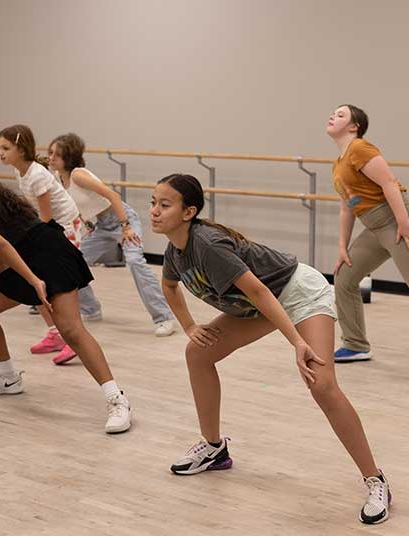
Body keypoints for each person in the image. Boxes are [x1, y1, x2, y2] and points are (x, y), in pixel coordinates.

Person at [151, 173, 390, 525]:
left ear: (189, 212)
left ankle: (375, 479)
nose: (154, 211)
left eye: (164, 204)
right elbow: (169, 286)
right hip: (259, 306)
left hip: (297, 293)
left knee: (321, 384)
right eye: (153, 203)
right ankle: (214, 449)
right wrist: (189, 326)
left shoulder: (209, 245)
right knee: (197, 353)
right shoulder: (177, 250)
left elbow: (261, 291)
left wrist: (297, 342)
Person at [0, 157, 131, 433]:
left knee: (71, 330)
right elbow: (4, 245)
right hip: (26, 259)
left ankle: (117, 399)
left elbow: (2, 244)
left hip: (48, 257)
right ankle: (7, 377)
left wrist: (34, 281)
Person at [49, 133, 175, 336]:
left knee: (134, 262)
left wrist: (125, 226)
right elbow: (79, 203)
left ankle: (164, 317)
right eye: (51, 152)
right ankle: (91, 309)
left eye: (57, 154)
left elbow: (112, 195)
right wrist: (86, 223)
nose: (52, 157)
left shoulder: (77, 175)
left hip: (121, 220)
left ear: (69, 158)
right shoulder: (57, 179)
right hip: (98, 227)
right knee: (72, 264)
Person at [327, 104, 409, 362]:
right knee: (344, 278)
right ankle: (355, 344)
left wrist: (403, 222)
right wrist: (343, 247)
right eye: (333, 113)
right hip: (374, 227)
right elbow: (347, 207)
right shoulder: (339, 164)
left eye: (341, 115)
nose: (333, 116)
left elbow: (388, 183)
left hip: (395, 219)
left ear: (354, 126)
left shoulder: (360, 148)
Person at [0, 125, 84, 364]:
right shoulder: (20, 172)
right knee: (36, 282)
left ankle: (72, 338)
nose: (0, 153)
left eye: (5, 148)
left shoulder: (37, 175)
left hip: (64, 229)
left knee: (58, 286)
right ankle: (56, 334)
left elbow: (46, 217)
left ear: (21, 149)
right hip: (48, 229)